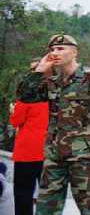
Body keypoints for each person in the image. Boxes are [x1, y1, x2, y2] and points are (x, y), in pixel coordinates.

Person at [16, 34, 90, 214]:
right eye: (52, 49)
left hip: (85, 154)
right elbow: (25, 96)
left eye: (60, 49)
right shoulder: (50, 82)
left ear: (74, 52)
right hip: (54, 154)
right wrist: (39, 70)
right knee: (46, 207)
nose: (55, 53)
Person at [9, 57, 49, 215]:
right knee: (48, 194)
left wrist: (13, 111)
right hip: (48, 150)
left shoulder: (25, 99)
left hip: (27, 151)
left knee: (23, 192)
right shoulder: (54, 97)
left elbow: (16, 121)